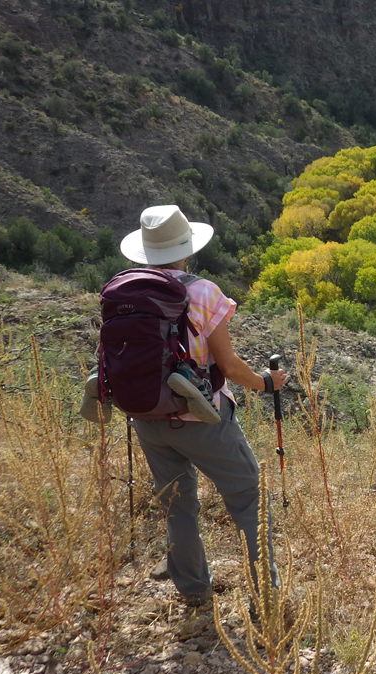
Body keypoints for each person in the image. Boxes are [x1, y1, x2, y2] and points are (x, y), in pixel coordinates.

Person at [118, 205, 286, 607]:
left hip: (146, 414)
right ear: (187, 249)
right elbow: (228, 365)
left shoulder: (124, 290)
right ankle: (267, 596)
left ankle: (194, 592)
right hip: (202, 415)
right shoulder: (201, 291)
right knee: (249, 498)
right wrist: (265, 382)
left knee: (177, 504)